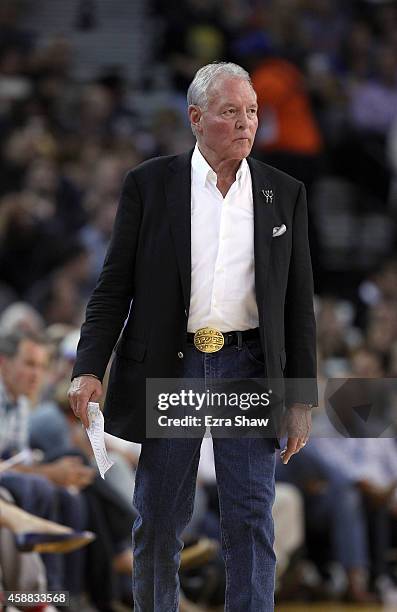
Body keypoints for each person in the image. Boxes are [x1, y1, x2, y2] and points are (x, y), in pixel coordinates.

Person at [69, 62, 318, 611]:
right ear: (197, 118)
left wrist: (301, 399)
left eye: (252, 112)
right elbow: (113, 288)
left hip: (249, 365)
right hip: (173, 364)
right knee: (159, 515)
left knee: (252, 516)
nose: (246, 123)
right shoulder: (149, 185)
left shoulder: (285, 193)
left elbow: (299, 307)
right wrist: (89, 367)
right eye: (231, 112)